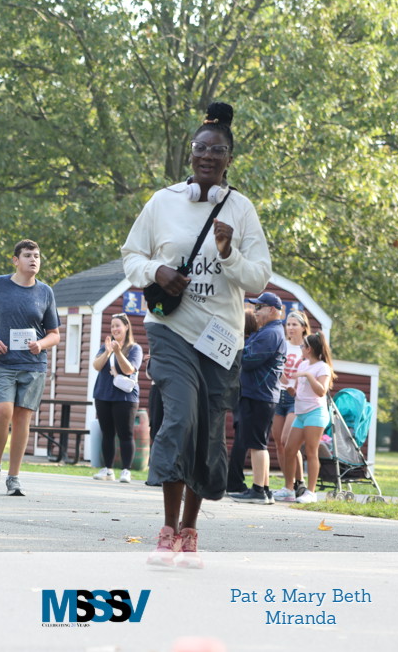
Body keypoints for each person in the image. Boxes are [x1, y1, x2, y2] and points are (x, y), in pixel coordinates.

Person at [121, 102, 272, 567]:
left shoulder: (241, 209)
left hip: (220, 337)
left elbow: (258, 279)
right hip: (171, 330)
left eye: (217, 150)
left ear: (229, 159)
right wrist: (158, 271)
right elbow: (131, 256)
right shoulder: (162, 202)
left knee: (208, 430)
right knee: (180, 417)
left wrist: (227, 253)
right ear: (191, 153)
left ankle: (190, 529)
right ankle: (167, 528)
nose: (207, 156)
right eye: (200, 148)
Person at [0, 239, 60, 496]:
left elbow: (54, 334)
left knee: (22, 418)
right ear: (15, 260)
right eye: (28, 255)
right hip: (2, 362)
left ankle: (14, 477)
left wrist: (40, 344)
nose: (34, 260)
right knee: (2, 410)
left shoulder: (45, 292)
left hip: (33, 365)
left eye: (37, 256)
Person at [229, 291, 286, 504]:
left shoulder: (270, 334)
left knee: (257, 444)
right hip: (262, 395)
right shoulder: (269, 331)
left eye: (259, 308)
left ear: (271, 310)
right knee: (258, 443)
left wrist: (235, 348)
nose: (256, 312)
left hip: (258, 395)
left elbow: (249, 360)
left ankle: (258, 490)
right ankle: (265, 489)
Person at [280, 332, 336, 504]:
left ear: (309, 349)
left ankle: (311, 492)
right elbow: (299, 391)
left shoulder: (322, 367)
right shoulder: (303, 364)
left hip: (315, 413)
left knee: (311, 452)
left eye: (303, 346)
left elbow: (321, 391)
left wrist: (309, 376)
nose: (301, 348)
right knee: (289, 449)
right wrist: (291, 390)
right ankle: (289, 489)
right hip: (301, 413)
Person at [90, 312, 143, 483]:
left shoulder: (135, 348)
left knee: (125, 434)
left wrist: (118, 352)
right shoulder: (105, 346)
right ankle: (108, 469)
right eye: (112, 326)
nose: (114, 329)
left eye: (118, 325)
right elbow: (96, 366)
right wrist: (107, 352)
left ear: (126, 327)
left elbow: (129, 369)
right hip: (103, 394)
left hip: (125, 397)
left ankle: (126, 470)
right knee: (107, 433)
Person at [271, 311, 309, 502]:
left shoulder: (307, 348)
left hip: (297, 398)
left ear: (303, 327)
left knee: (289, 441)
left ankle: (300, 482)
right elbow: (273, 365)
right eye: (288, 324)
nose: (290, 328)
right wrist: (280, 375)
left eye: (295, 324)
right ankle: (288, 486)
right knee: (279, 442)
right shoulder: (282, 345)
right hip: (279, 395)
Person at [225, 306, 259, 495]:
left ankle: (232, 479)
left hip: (235, 391)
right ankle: (234, 481)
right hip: (244, 392)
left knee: (241, 437)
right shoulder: (249, 344)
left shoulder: (236, 341)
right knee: (242, 439)